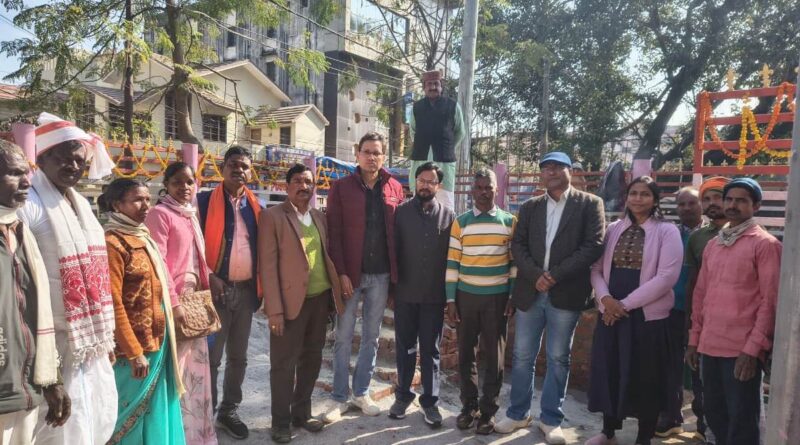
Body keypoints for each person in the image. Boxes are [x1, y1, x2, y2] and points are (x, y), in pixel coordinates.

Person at [19, 113, 118, 445]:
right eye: (64, 158)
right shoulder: (29, 202)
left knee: (93, 421)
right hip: (50, 341)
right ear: (42, 157)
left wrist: (103, 336)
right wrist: (45, 369)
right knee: (55, 429)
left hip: (89, 342)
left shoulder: (81, 205)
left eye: (79, 160)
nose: (73, 166)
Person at [496, 152, 605, 444]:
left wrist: (554, 275)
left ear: (571, 171)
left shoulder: (589, 204)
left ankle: (550, 419)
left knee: (558, 358)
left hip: (565, 293)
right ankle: (518, 413)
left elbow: (593, 245)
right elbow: (517, 245)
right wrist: (536, 276)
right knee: (522, 356)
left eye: (557, 167)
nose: (551, 172)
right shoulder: (530, 207)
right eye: (546, 168)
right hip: (531, 291)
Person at [586, 176, 683, 445]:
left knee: (646, 378)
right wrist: (606, 300)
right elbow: (596, 269)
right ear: (626, 197)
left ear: (655, 200)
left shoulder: (667, 231)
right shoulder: (613, 229)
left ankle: (643, 437)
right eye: (633, 193)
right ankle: (608, 432)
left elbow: (666, 277)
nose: (638, 199)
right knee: (610, 371)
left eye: (645, 194)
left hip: (646, 318)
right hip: (611, 315)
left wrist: (623, 305)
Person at [686, 178, 781, 445]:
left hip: (741, 350)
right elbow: (701, 295)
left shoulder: (765, 245)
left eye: (741, 200)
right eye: (729, 199)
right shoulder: (714, 245)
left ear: (756, 206)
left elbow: (770, 301)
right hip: (709, 346)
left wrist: (753, 350)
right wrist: (694, 340)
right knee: (715, 415)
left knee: (743, 422)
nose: (732, 205)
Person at [259, 164, 344, 443]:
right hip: (288, 304)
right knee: (283, 365)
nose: (303, 186)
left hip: (319, 302)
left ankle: (301, 413)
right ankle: (280, 423)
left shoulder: (319, 217)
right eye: (297, 181)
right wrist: (274, 310)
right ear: (287, 187)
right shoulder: (273, 217)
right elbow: (267, 267)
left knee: (311, 360)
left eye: (308, 182)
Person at [322, 132, 404, 423]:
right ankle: (339, 397)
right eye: (367, 151)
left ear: (384, 156)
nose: (372, 157)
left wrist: (395, 278)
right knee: (343, 337)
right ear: (357, 154)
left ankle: (361, 392)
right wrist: (341, 273)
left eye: (377, 152)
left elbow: (397, 234)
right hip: (351, 274)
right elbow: (334, 234)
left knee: (371, 337)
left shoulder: (395, 187)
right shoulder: (341, 188)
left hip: (381, 275)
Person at [100, 179, 185, 444]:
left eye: (148, 199)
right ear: (117, 205)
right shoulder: (112, 243)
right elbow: (113, 303)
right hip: (132, 349)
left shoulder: (142, 236)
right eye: (137, 199)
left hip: (156, 340)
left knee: (154, 411)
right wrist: (134, 352)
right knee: (126, 417)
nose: (146, 205)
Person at [0, 140, 68, 444]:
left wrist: (51, 379)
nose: (27, 181)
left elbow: (33, 310)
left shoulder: (20, 231)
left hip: (25, 389)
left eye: (26, 173)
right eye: (14, 173)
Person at [145, 162, 218, 444]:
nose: (185, 187)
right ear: (166, 184)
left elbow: (196, 260)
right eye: (177, 182)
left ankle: (198, 435)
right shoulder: (160, 214)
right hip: (174, 306)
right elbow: (159, 263)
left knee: (196, 374)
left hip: (194, 305)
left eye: (189, 182)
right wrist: (174, 305)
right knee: (177, 374)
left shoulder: (189, 213)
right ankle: (177, 436)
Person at [197, 145, 262, 440]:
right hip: (215, 294)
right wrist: (210, 276)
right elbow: (192, 245)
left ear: (251, 171)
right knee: (211, 358)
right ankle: (204, 415)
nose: (239, 170)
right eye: (234, 164)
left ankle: (228, 411)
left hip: (246, 292)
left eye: (245, 166)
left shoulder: (256, 207)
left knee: (239, 357)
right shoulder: (203, 202)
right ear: (222, 168)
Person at [446, 168, 516, 435]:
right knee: (466, 354)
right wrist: (451, 300)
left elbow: (514, 265)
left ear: (497, 189)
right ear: (472, 190)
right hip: (466, 297)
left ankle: (488, 412)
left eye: (489, 187)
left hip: (497, 299)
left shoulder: (510, 222)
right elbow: (453, 263)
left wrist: (511, 295)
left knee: (495, 358)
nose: (484, 192)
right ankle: (469, 407)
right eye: (480, 188)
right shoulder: (461, 223)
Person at [389, 162, 455, 428]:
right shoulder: (401, 213)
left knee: (431, 351)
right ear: (415, 181)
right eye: (422, 180)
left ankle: (430, 402)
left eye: (431, 181)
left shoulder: (448, 217)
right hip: (405, 294)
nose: (426, 185)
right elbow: (394, 253)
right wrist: (392, 290)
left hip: (434, 298)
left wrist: (450, 297)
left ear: (439, 186)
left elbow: (452, 259)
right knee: (405, 348)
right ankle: (403, 396)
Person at [682, 176, 730, 444]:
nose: (712, 203)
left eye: (718, 197)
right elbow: (694, 282)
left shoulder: (756, 238)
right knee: (702, 381)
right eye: (707, 199)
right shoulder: (698, 238)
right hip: (704, 321)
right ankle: (704, 429)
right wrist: (692, 322)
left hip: (736, 324)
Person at [656, 187, 702, 438]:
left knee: (699, 368)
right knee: (669, 364)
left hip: (701, 312)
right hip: (672, 309)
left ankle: (703, 422)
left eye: (691, 203)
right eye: (681, 204)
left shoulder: (712, 235)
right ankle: (671, 416)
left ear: (701, 204)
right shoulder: (671, 234)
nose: (686, 208)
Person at [408, 69, 465, 209]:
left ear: (441, 86)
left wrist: (448, 147)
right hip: (420, 163)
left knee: (445, 208)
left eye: (436, 84)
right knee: (419, 208)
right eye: (429, 84)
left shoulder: (453, 106)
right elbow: (413, 131)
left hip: (445, 165)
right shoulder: (417, 107)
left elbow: (460, 132)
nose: (433, 87)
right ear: (424, 87)